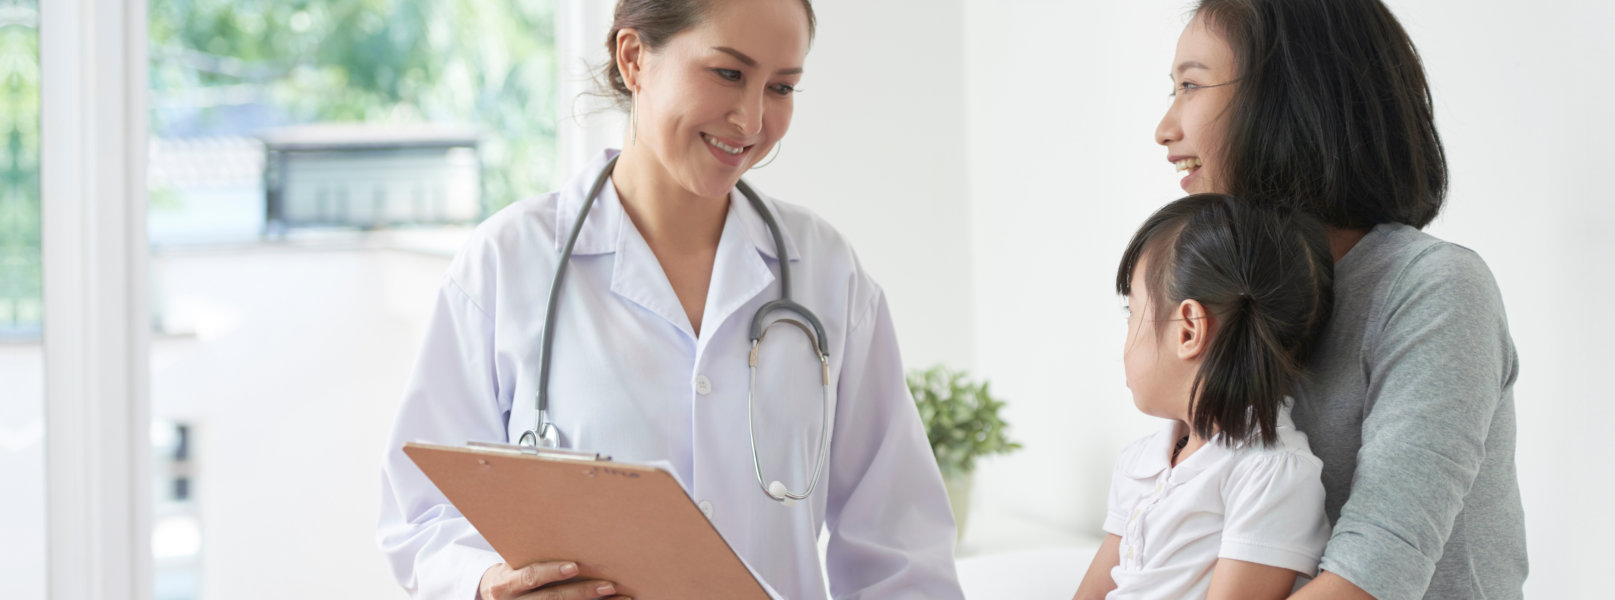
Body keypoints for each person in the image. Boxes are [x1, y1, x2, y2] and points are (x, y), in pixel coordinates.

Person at [374, 0, 962, 598]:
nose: (752, 119)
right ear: (634, 58)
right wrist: (487, 582)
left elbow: (901, 546)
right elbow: (422, 511)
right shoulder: (509, 262)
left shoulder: (827, 273)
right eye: (728, 73)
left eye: (781, 87)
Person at [1152, 1, 1527, 598]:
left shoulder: (1436, 290)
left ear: (1290, 97)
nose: (1165, 128)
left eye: (1190, 86)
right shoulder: (1223, 293)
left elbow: (1372, 573)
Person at [1074, 193, 1337, 599]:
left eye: (1132, 311)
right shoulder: (1141, 461)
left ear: (1188, 331)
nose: (1127, 332)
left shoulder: (1269, 473)